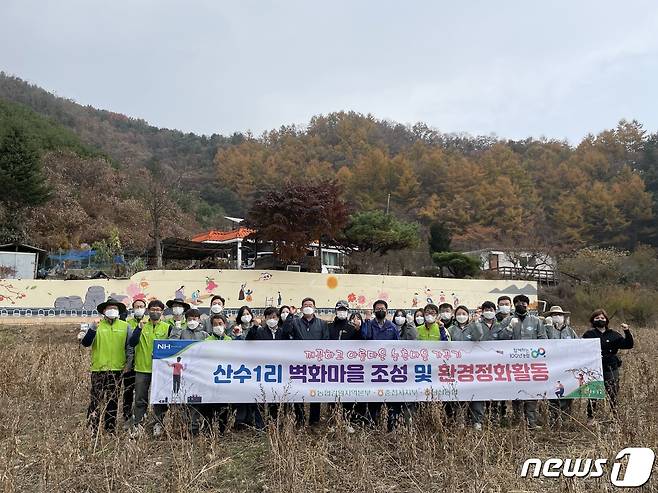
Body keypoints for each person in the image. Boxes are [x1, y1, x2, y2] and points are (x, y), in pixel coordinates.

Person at [79, 297, 130, 434]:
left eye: (115, 308)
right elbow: (86, 343)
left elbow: (129, 347)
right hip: (99, 369)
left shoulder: (125, 326)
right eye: (109, 308)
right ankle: (92, 428)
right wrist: (93, 329)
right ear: (104, 311)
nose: (112, 311)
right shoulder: (97, 325)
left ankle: (110, 429)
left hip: (117, 369)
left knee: (113, 400)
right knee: (96, 399)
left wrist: (128, 364)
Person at [499, 294, 546, 429]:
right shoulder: (507, 320)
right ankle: (518, 420)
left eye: (524, 302)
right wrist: (509, 329)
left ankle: (531, 421)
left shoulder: (536, 321)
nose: (521, 304)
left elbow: (543, 340)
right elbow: (499, 340)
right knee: (516, 392)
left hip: (532, 364)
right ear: (514, 305)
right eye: (518, 302)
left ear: (528, 304)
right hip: (513, 364)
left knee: (532, 392)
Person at [128, 299, 173, 437]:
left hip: (160, 370)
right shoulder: (142, 326)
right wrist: (138, 330)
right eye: (152, 309)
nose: (155, 312)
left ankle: (158, 424)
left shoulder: (167, 327)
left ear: (162, 312)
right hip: (142, 368)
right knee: (140, 398)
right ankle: (138, 424)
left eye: (158, 310)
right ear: (148, 311)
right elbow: (132, 342)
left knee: (160, 399)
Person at [282, 297, 329, 427]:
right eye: (305, 305)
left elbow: (326, 341)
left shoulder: (322, 324)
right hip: (299, 363)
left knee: (315, 392)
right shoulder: (295, 322)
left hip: (316, 364)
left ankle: (314, 421)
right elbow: (285, 331)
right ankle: (300, 419)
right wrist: (291, 316)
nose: (308, 306)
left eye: (310, 305)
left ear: (314, 308)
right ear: (302, 308)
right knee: (298, 391)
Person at [582, 309, 634, 424]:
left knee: (613, 393)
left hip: (610, 367)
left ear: (606, 320)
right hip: (594, 369)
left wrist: (627, 331)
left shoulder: (614, 334)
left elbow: (628, 345)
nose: (600, 320)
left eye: (602, 318)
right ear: (592, 320)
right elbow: (581, 350)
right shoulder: (588, 335)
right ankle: (591, 418)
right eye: (597, 318)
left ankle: (615, 417)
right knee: (593, 394)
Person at [361, 300, 401, 431]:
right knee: (374, 398)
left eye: (382, 308)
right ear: (374, 311)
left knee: (391, 398)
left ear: (387, 311)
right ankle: (373, 425)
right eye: (377, 309)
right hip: (373, 368)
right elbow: (364, 337)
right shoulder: (370, 324)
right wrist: (366, 320)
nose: (380, 311)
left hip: (389, 368)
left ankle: (392, 426)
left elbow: (397, 345)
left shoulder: (392, 326)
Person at [448, 305, 485, 429]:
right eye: (459, 313)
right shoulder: (451, 329)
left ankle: (477, 421)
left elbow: (479, 336)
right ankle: (460, 420)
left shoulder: (472, 327)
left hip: (473, 367)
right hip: (456, 368)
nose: (461, 316)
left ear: (468, 315)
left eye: (464, 313)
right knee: (459, 394)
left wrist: (476, 322)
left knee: (476, 394)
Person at [233, 306, 261, 428]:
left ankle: (253, 420)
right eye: (243, 314)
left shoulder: (258, 329)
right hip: (239, 365)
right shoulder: (235, 329)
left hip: (254, 364)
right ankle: (240, 420)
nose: (246, 316)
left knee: (254, 393)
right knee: (241, 393)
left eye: (248, 313)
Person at [122, 299, 147, 428]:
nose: (139, 308)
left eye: (141, 306)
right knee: (128, 392)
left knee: (142, 393)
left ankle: (142, 416)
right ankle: (127, 417)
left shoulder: (148, 323)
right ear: (132, 308)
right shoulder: (127, 324)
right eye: (137, 306)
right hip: (130, 364)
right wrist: (127, 363)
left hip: (144, 365)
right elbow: (127, 345)